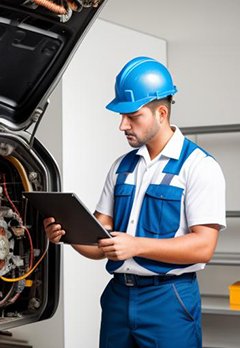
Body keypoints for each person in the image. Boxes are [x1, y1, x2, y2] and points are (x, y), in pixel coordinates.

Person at [43, 56, 226, 348]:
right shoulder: (121, 167)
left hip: (169, 300)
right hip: (119, 297)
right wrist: (67, 235)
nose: (122, 125)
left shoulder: (199, 166)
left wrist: (137, 245)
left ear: (161, 113)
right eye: (121, 115)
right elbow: (99, 243)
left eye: (132, 115)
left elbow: (204, 247)